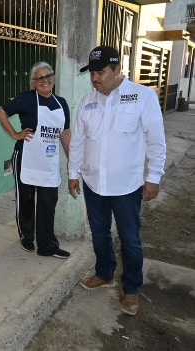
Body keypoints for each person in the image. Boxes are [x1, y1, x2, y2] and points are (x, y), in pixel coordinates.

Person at [68, 45, 167, 316]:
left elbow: (155, 140)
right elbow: (77, 141)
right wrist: (73, 174)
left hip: (126, 186)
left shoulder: (142, 97)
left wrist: (153, 177)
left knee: (130, 239)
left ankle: (131, 289)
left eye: (100, 72)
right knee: (99, 233)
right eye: (92, 73)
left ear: (117, 70)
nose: (95, 78)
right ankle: (104, 274)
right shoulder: (88, 102)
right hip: (93, 184)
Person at [0, 62, 72, 259]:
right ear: (34, 82)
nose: (45, 80)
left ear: (53, 79)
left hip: (49, 161)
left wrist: (73, 160)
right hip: (26, 157)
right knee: (26, 199)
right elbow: (1, 113)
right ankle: (26, 236)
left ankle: (47, 246)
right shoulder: (27, 99)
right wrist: (14, 134)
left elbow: (64, 133)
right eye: (40, 78)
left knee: (48, 202)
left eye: (48, 76)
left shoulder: (61, 103)